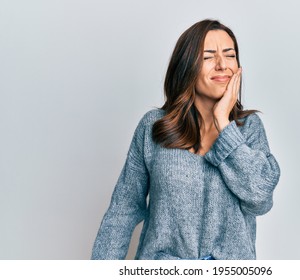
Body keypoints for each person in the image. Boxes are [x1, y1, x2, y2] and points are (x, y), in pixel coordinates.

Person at [91, 19, 280, 260]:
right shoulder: (154, 126)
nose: (222, 65)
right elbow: (123, 211)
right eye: (208, 57)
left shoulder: (248, 128)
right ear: (187, 66)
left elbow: (260, 200)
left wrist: (223, 123)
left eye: (229, 55)